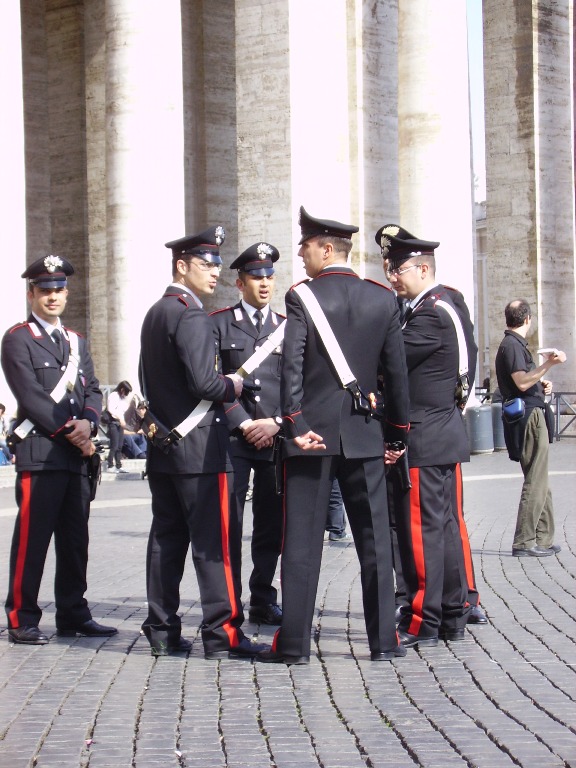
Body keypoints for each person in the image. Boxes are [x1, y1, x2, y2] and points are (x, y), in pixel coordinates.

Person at [257, 207, 410, 665]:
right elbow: (396, 377)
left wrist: (295, 425)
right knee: (375, 543)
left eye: (305, 246)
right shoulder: (382, 299)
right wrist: (396, 435)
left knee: (302, 543)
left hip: (313, 439)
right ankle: (384, 641)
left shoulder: (302, 296)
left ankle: (295, 645)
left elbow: (292, 369)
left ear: (326, 249)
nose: (300, 255)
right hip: (365, 436)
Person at [139, 226, 268, 659]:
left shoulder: (156, 312)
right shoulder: (191, 313)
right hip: (201, 448)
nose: (214, 271)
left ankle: (161, 629)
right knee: (216, 544)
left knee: (166, 541)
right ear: (182, 266)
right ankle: (222, 633)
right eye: (205, 263)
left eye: (217, 263)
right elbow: (204, 382)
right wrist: (233, 384)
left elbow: (147, 379)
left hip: (165, 447)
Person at [1, 255, 117, 644]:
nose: (53, 296)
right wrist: (74, 432)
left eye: (59, 289)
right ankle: (22, 616)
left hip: (75, 458)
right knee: (33, 539)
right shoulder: (17, 338)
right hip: (41, 454)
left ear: (66, 293)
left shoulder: (76, 341)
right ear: (31, 293)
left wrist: (89, 421)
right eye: (45, 290)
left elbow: (93, 388)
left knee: (74, 539)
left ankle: (73, 612)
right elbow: (30, 396)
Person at [376, 224, 478, 648]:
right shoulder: (445, 302)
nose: (390, 277)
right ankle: (454, 612)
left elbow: (390, 361)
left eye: (397, 269)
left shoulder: (430, 313)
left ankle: (423, 618)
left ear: (421, 268)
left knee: (422, 530)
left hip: (423, 435)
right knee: (446, 528)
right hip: (443, 433)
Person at [210, 242, 284, 626]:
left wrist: (275, 424)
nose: (265, 283)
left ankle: (262, 596)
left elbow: (295, 384)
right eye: (257, 277)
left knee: (271, 525)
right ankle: (230, 600)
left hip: (273, 438)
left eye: (270, 276)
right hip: (234, 439)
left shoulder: (287, 327)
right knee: (231, 524)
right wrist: (244, 422)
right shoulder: (219, 323)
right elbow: (211, 383)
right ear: (240, 283)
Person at [495, 299, 566, 557]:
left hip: (530, 412)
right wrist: (549, 364)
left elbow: (526, 381)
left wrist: (542, 383)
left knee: (540, 478)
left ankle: (543, 538)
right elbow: (522, 382)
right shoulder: (512, 345)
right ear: (528, 319)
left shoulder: (514, 345)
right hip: (528, 418)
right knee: (535, 479)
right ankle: (524, 542)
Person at [105, 380, 133, 472]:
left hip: (120, 423)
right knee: (114, 445)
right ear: (122, 389)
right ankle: (110, 465)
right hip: (113, 422)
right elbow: (111, 409)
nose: (126, 394)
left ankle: (118, 465)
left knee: (120, 445)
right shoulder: (113, 396)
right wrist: (119, 418)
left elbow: (123, 410)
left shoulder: (122, 398)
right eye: (126, 392)